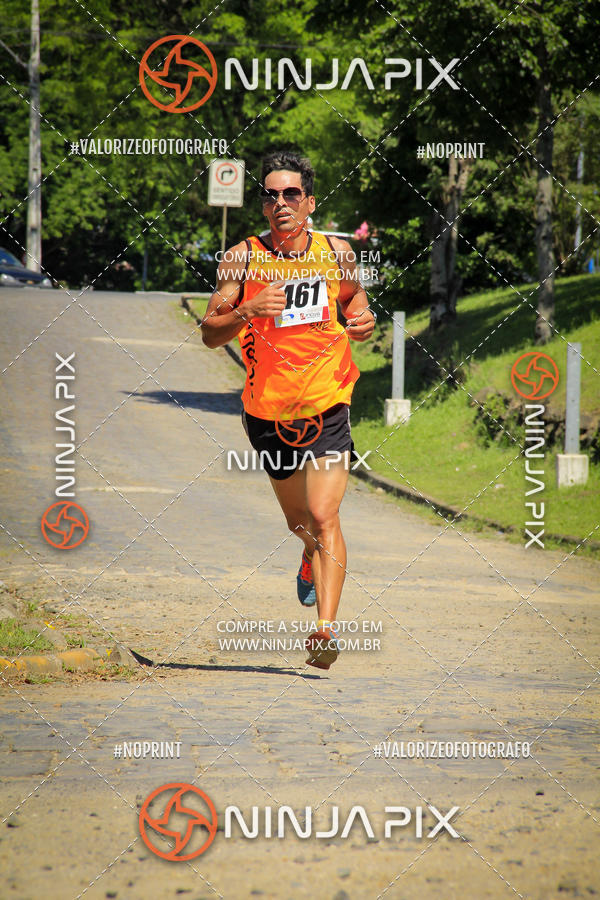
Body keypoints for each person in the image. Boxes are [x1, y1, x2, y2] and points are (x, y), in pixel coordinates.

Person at [201, 151, 375, 670]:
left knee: (324, 516)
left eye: (291, 194)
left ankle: (325, 630)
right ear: (262, 206)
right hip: (268, 411)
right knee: (299, 522)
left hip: (327, 400)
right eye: (271, 195)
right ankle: (307, 555)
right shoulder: (243, 258)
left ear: (310, 202)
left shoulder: (337, 252)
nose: (280, 203)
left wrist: (363, 319)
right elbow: (210, 333)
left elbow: (356, 302)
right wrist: (247, 310)